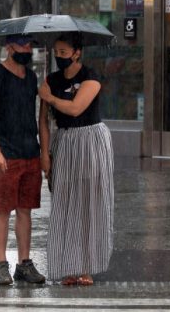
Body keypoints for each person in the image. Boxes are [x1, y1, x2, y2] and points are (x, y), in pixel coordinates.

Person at [38, 33, 114, 286]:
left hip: (90, 140)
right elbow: (44, 122)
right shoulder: (51, 79)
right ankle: (68, 267)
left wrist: (49, 97)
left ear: (77, 52)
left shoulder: (91, 76)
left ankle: (87, 267)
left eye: (64, 52)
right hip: (65, 142)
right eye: (56, 52)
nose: (59, 57)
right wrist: (45, 154)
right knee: (65, 203)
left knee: (89, 203)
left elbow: (76, 108)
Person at [0, 34, 46, 286]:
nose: (27, 49)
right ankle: (0, 264)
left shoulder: (30, 77)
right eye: (22, 45)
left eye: (30, 44)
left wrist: (41, 152)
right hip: (5, 154)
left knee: (25, 210)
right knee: (2, 209)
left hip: (29, 152)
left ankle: (24, 264)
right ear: (9, 47)